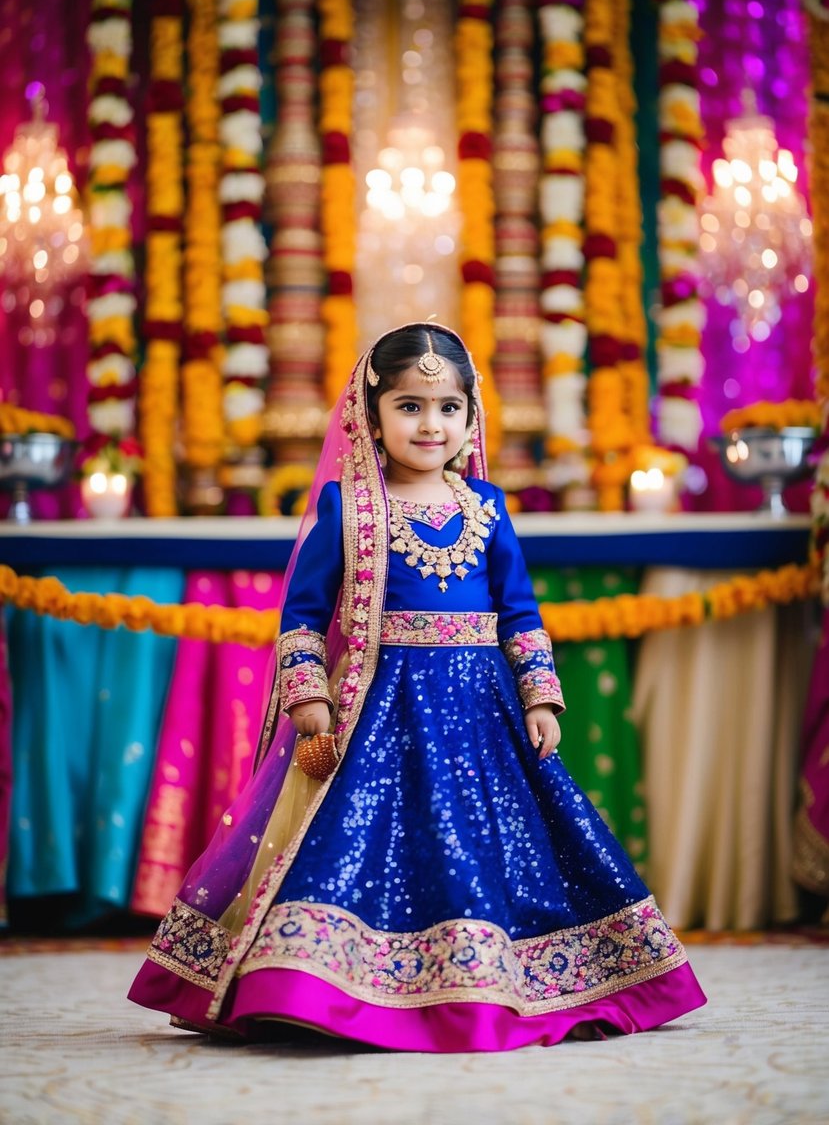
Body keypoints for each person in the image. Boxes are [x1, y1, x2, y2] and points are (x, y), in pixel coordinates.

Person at [129, 323, 706, 1051]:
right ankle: (311, 985)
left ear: (471, 418)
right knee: (352, 843)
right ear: (369, 417)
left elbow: (519, 613)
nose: (430, 424)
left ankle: (490, 981)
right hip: (378, 712)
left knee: (490, 846)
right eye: (408, 406)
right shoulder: (347, 507)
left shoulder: (486, 507)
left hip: (481, 714)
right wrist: (308, 697)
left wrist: (539, 695)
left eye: (447, 407)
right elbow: (303, 618)